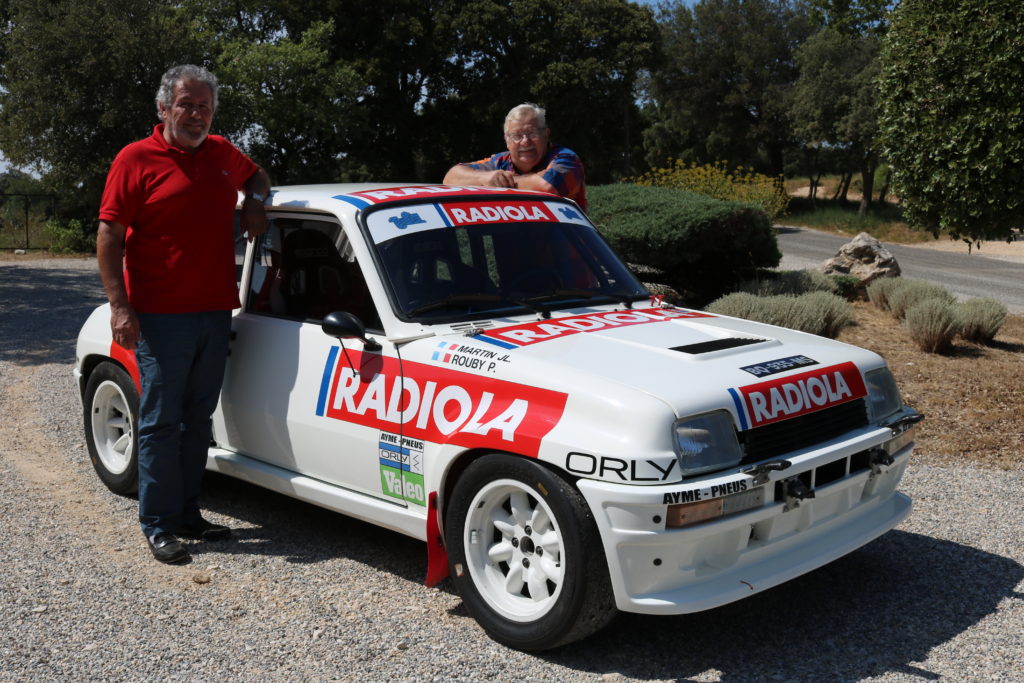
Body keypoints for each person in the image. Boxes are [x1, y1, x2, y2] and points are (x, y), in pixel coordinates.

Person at [97, 64, 271, 564]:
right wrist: (119, 307)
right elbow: (109, 236)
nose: (196, 115)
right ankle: (157, 522)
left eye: (204, 107)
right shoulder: (136, 159)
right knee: (159, 420)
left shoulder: (221, 153)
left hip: (215, 310)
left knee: (198, 419)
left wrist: (255, 199)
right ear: (164, 108)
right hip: (159, 315)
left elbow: (258, 174)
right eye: (186, 106)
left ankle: (189, 512)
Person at [443, 103, 588, 211]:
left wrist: (502, 183)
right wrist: (485, 178)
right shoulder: (499, 162)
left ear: (546, 134)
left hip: (566, 250)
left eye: (532, 133)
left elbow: (547, 187)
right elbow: (450, 177)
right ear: (506, 140)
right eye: (517, 136)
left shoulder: (566, 159)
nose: (525, 141)